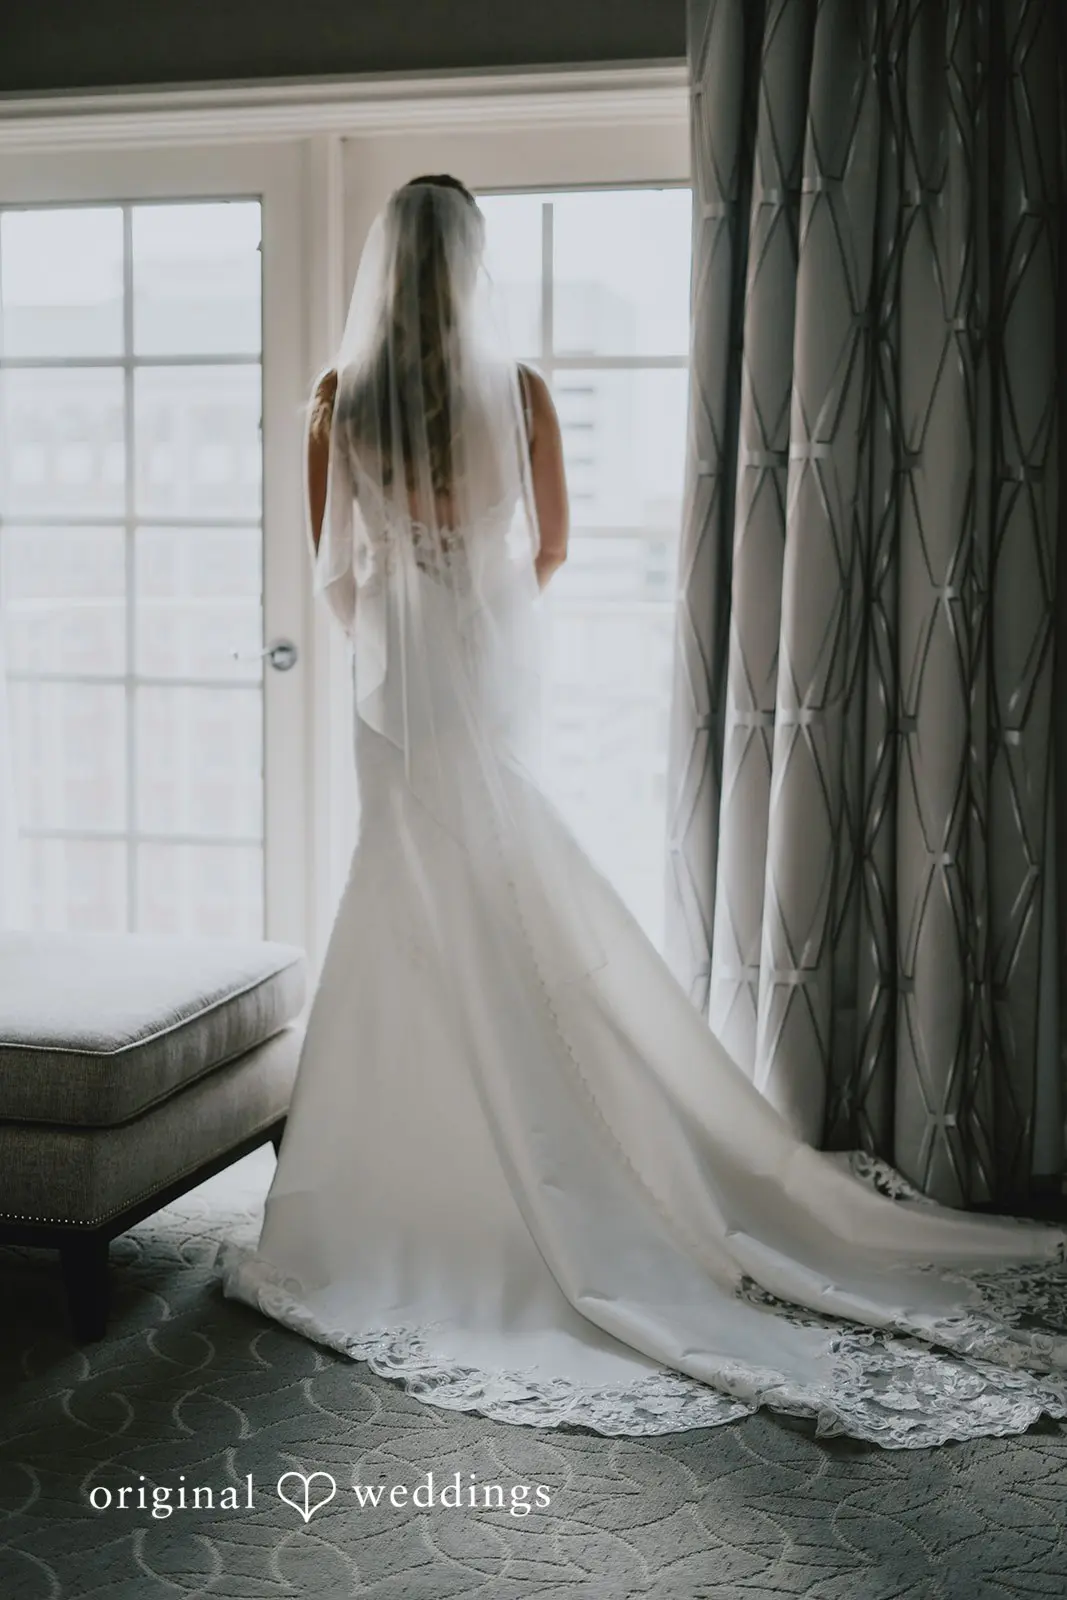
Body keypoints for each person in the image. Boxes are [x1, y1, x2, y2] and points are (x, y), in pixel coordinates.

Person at [223, 175, 1067, 1448]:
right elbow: (549, 549)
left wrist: (406, 616)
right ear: (469, 267)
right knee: (514, 897)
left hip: (391, 703)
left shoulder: (337, 409)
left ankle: (411, 1188)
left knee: (401, 896)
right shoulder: (520, 397)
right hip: (476, 676)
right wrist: (475, 610)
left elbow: (335, 571)